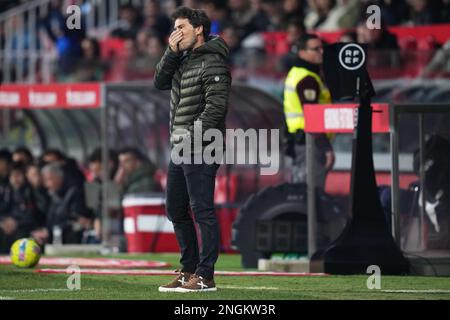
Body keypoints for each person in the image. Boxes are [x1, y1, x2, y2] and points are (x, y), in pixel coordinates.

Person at [154, 6, 231, 292]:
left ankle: (206, 275)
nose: (176, 33)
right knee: (175, 207)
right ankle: (188, 270)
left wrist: (191, 136)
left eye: (182, 27)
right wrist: (170, 53)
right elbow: (159, 81)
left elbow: (216, 108)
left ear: (199, 29)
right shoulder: (182, 59)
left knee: (202, 209)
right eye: (174, 28)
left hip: (202, 144)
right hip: (181, 145)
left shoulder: (214, 62)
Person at [283, 33, 334, 189]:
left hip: (303, 140)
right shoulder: (308, 78)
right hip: (311, 142)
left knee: (304, 192)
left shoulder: (299, 73)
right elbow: (312, 115)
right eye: (315, 49)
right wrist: (325, 147)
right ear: (302, 52)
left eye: (322, 47)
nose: (321, 51)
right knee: (311, 195)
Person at [42, 163, 93, 244]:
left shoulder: (73, 192)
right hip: (53, 236)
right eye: (45, 180)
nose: (46, 184)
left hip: (70, 238)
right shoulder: (52, 195)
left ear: (59, 177)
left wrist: (50, 231)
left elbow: (76, 219)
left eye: (49, 179)